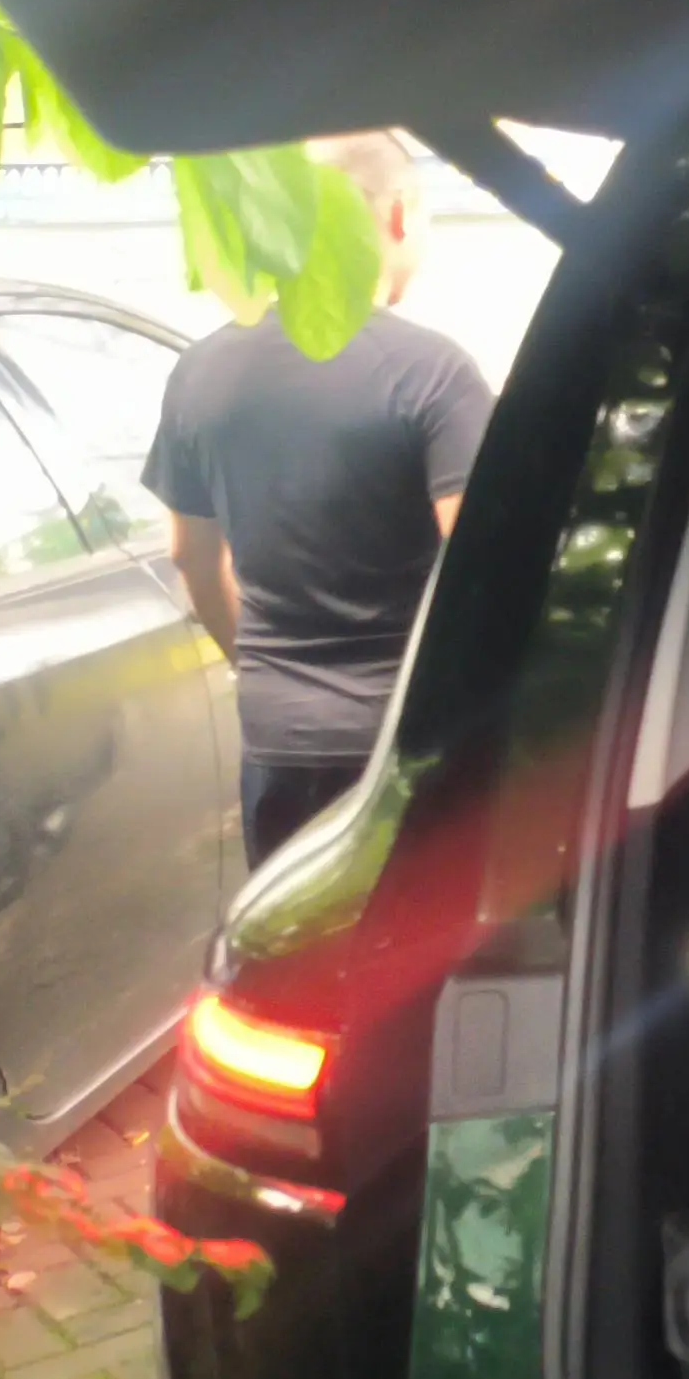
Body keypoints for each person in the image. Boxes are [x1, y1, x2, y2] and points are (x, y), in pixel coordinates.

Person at [143, 134, 494, 862]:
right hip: (408, 743)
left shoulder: (200, 371)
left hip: (278, 742)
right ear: (399, 215)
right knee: (416, 935)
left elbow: (190, 556)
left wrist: (257, 667)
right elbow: (485, 560)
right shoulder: (432, 372)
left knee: (292, 930)